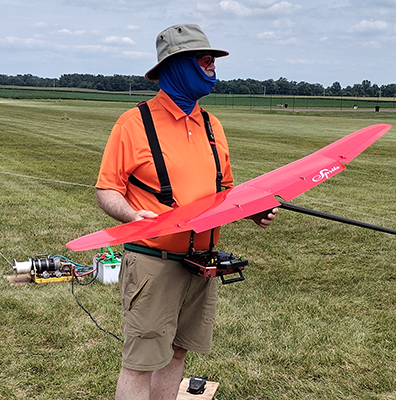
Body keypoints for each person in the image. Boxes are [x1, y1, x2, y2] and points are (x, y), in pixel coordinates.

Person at [95, 23, 277, 400]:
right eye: (204, 59)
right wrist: (130, 216)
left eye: (212, 60)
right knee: (141, 361)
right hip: (153, 261)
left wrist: (251, 211)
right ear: (177, 65)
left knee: (178, 351)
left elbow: (223, 191)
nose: (212, 67)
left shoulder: (212, 125)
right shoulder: (134, 124)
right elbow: (107, 189)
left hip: (201, 262)